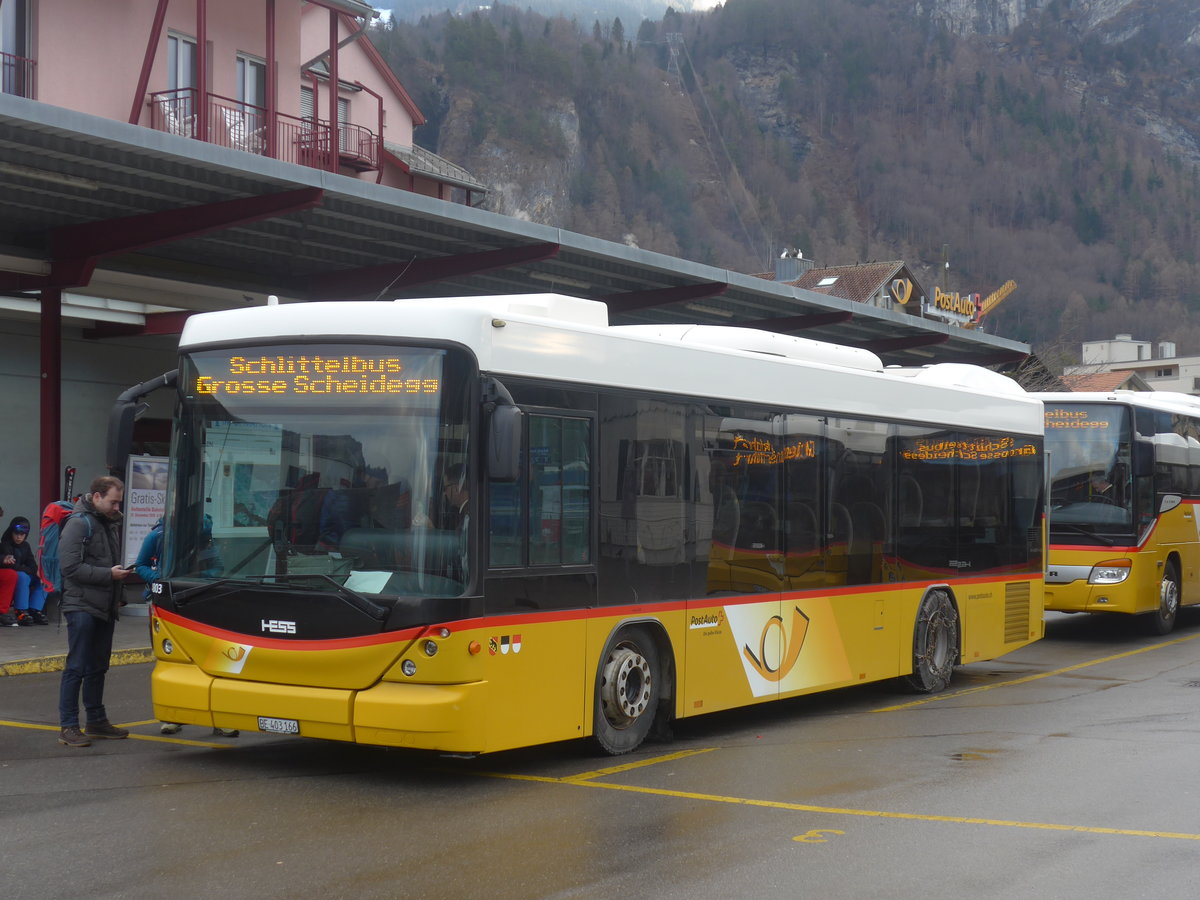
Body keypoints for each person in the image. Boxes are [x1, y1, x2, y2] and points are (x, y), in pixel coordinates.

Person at [134, 516, 237, 738]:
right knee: (172, 662)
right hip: (167, 603)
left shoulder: (204, 535)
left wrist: (202, 580)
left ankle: (219, 719)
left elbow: (217, 567)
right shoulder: (159, 536)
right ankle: (172, 717)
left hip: (200, 601)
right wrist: (160, 580)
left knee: (214, 662)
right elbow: (140, 564)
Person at [56, 475, 133, 748]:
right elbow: (70, 568)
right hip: (81, 606)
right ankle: (68, 726)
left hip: (104, 605)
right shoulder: (79, 524)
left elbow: (111, 561)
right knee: (77, 665)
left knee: (98, 666)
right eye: (113, 502)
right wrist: (109, 576)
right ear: (97, 497)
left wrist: (119, 594)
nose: (116, 507)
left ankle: (97, 721)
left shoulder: (108, 523)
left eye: (118, 502)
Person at [1, 516, 48, 625]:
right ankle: (20, 610)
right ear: (11, 532)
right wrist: (29, 570)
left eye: (22, 534)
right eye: (16, 534)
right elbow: (13, 566)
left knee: (45, 579)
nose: (19, 537)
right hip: (17, 574)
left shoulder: (25, 546)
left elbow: (31, 562)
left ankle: (35, 609)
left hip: (25, 572)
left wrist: (38, 572)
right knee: (22, 576)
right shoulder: (5, 544)